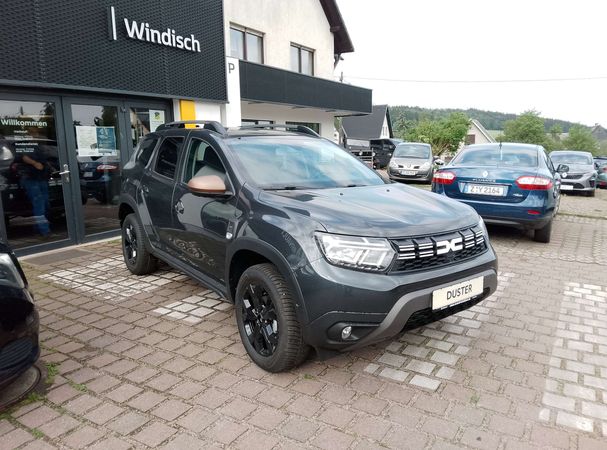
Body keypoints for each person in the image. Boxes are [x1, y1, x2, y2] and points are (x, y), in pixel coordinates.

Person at [20, 145, 51, 237]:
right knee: (39, 204)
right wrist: (35, 163)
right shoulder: (24, 145)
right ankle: (44, 230)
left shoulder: (39, 146)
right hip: (31, 178)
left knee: (45, 204)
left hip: (42, 178)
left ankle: (38, 228)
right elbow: (23, 157)